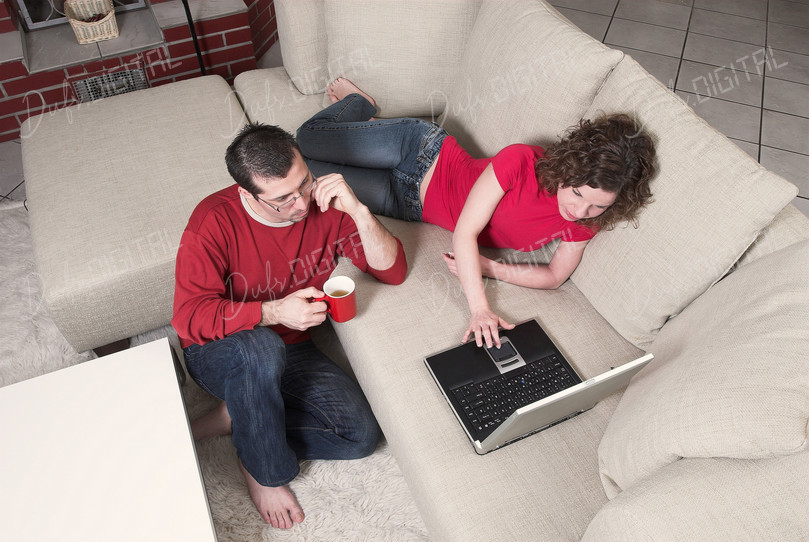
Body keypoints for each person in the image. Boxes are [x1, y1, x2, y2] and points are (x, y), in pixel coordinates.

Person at [297, 78, 656, 349]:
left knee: (311, 175)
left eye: (598, 205)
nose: (579, 211)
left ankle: (364, 128)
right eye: (577, 192)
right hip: (420, 153)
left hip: (406, 203)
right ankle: (359, 104)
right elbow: (465, 233)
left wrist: (492, 268)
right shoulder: (522, 160)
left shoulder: (589, 220)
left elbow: (554, 276)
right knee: (307, 138)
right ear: (568, 168)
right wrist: (480, 308)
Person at [171, 122, 408, 529]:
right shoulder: (212, 220)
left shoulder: (326, 205)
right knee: (259, 347)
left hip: (293, 348)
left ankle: (241, 416)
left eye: (304, 183)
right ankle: (262, 468)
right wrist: (272, 312)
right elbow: (189, 318)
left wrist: (358, 210)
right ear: (248, 194)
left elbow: (394, 272)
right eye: (282, 199)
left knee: (360, 436)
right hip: (222, 350)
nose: (301, 204)